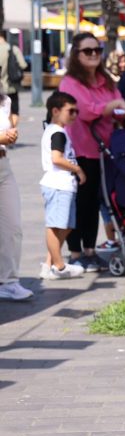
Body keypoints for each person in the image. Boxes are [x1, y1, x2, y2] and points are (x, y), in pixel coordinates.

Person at [59, 32, 125, 272]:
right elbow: (82, 111)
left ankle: (90, 251)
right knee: (81, 203)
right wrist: (112, 107)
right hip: (81, 151)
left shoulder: (105, 81)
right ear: (76, 55)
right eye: (88, 51)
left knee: (98, 202)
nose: (94, 54)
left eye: (97, 50)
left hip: (105, 151)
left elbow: (120, 103)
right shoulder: (70, 83)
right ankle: (75, 253)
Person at [39, 91, 86, 280]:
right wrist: (78, 169)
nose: (75, 115)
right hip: (58, 184)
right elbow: (57, 159)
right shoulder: (57, 132)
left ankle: (49, 263)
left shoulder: (56, 130)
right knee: (55, 225)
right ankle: (58, 267)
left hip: (63, 185)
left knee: (65, 225)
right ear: (55, 111)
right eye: (71, 111)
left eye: (76, 111)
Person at [0, 86, 33, 300]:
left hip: (3, 167)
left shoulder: (5, 101)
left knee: (12, 227)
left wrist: (10, 135)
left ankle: (8, 281)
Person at [0, 31, 27, 129]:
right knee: (14, 113)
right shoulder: (13, 49)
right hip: (11, 87)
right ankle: (10, 134)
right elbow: (23, 64)